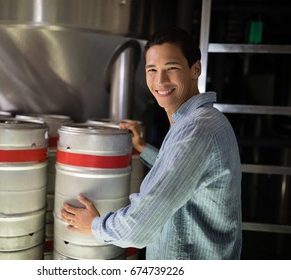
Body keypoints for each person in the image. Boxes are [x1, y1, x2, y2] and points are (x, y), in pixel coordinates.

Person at [60, 27, 242, 259]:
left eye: (171, 68)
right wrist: (143, 148)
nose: (160, 80)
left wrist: (94, 226)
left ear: (195, 69)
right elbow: (185, 174)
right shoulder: (204, 121)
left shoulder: (195, 129)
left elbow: (139, 228)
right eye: (152, 70)